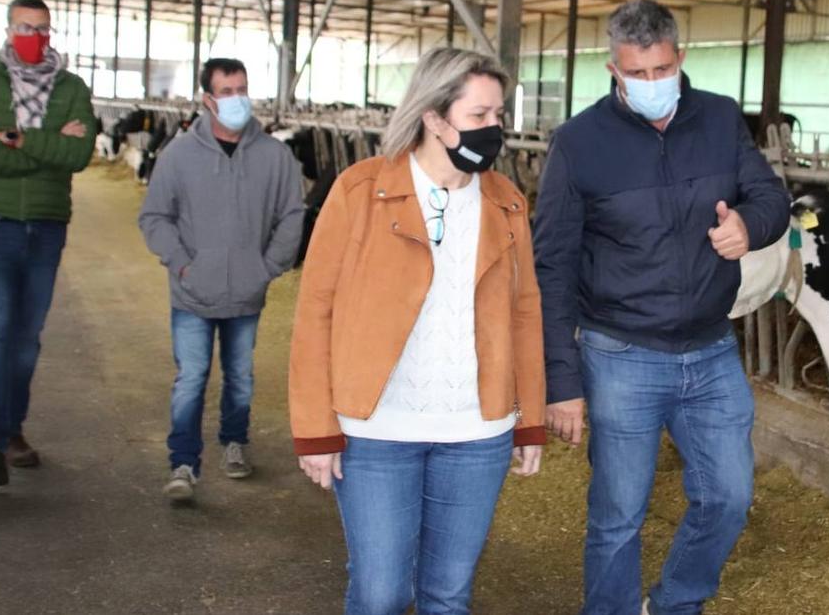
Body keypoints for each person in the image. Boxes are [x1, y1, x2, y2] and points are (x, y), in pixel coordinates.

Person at [533, 0, 792, 615]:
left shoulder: (721, 119)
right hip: (621, 351)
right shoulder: (578, 143)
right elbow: (553, 264)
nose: (652, 84)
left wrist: (749, 227)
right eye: (636, 74)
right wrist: (560, 381)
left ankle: (676, 602)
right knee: (619, 514)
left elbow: (771, 196)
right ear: (612, 70)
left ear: (681, 58)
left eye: (661, 70)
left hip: (711, 348)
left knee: (729, 496)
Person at [290, 47, 546, 615]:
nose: (495, 128)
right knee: (381, 593)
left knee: (448, 595)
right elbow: (315, 310)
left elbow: (525, 311)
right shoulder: (360, 191)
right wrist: (315, 428)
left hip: (476, 432)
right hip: (376, 430)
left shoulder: (505, 202)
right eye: (479, 116)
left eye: (499, 115)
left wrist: (528, 420)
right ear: (434, 117)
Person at [139, 58, 304, 502]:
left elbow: (293, 214)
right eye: (227, 92)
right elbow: (154, 216)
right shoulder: (178, 155)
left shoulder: (275, 155)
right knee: (191, 377)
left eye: (242, 89)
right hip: (192, 292)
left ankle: (235, 441)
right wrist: (181, 262)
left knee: (241, 375)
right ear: (208, 99)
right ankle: (183, 463)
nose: (237, 99)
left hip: (247, 291)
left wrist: (269, 266)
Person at [0, 0, 97, 488]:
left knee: (26, 337)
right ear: (9, 30)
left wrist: (16, 139)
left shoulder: (73, 87)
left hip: (46, 222)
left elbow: (78, 154)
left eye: (42, 28)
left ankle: (12, 430)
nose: (35, 36)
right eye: (25, 27)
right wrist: (47, 146)